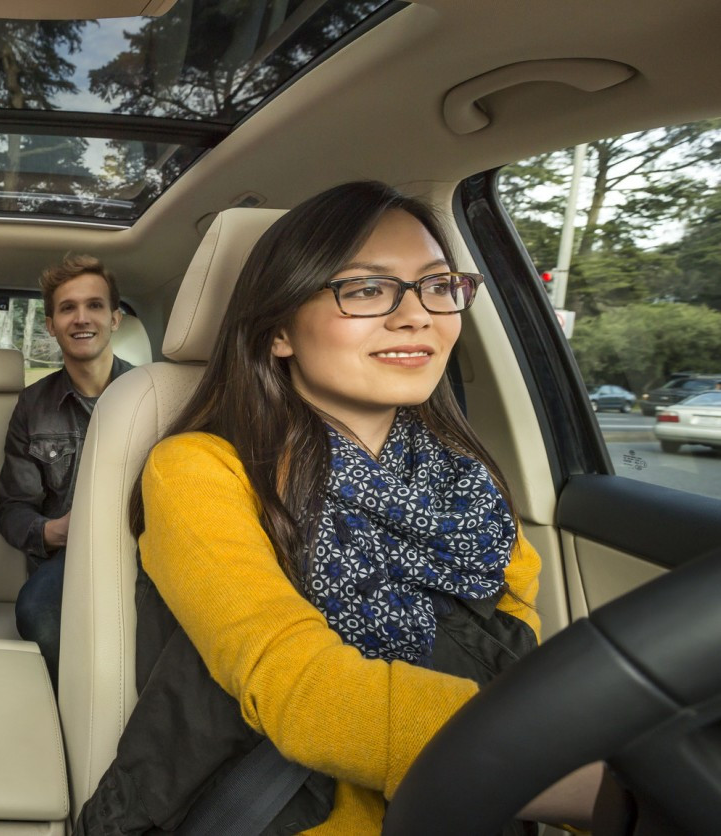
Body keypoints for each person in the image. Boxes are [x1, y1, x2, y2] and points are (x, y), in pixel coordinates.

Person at [80, 182, 598, 833]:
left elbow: (518, 658)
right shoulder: (200, 469)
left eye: (438, 286)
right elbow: (304, 692)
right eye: (366, 289)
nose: (417, 316)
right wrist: (594, 782)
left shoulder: (471, 485)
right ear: (278, 332)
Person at [0, 254, 132, 685]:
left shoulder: (150, 392)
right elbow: (13, 508)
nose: (81, 318)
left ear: (115, 319)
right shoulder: (32, 405)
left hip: (149, 554)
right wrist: (56, 531)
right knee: (36, 610)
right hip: (68, 561)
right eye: (67, 308)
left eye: (94, 305)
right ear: (51, 325)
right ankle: (71, 713)